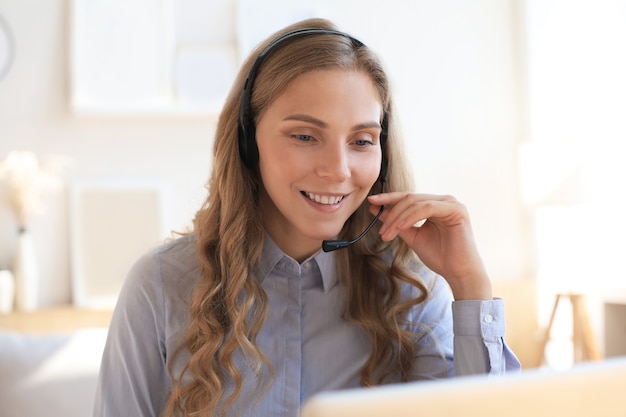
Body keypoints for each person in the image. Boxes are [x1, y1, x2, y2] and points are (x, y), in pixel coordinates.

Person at [93, 17, 520, 417]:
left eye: (362, 140)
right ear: (247, 139)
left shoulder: (412, 292)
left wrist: (470, 285)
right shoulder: (161, 286)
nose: (338, 170)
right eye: (304, 136)